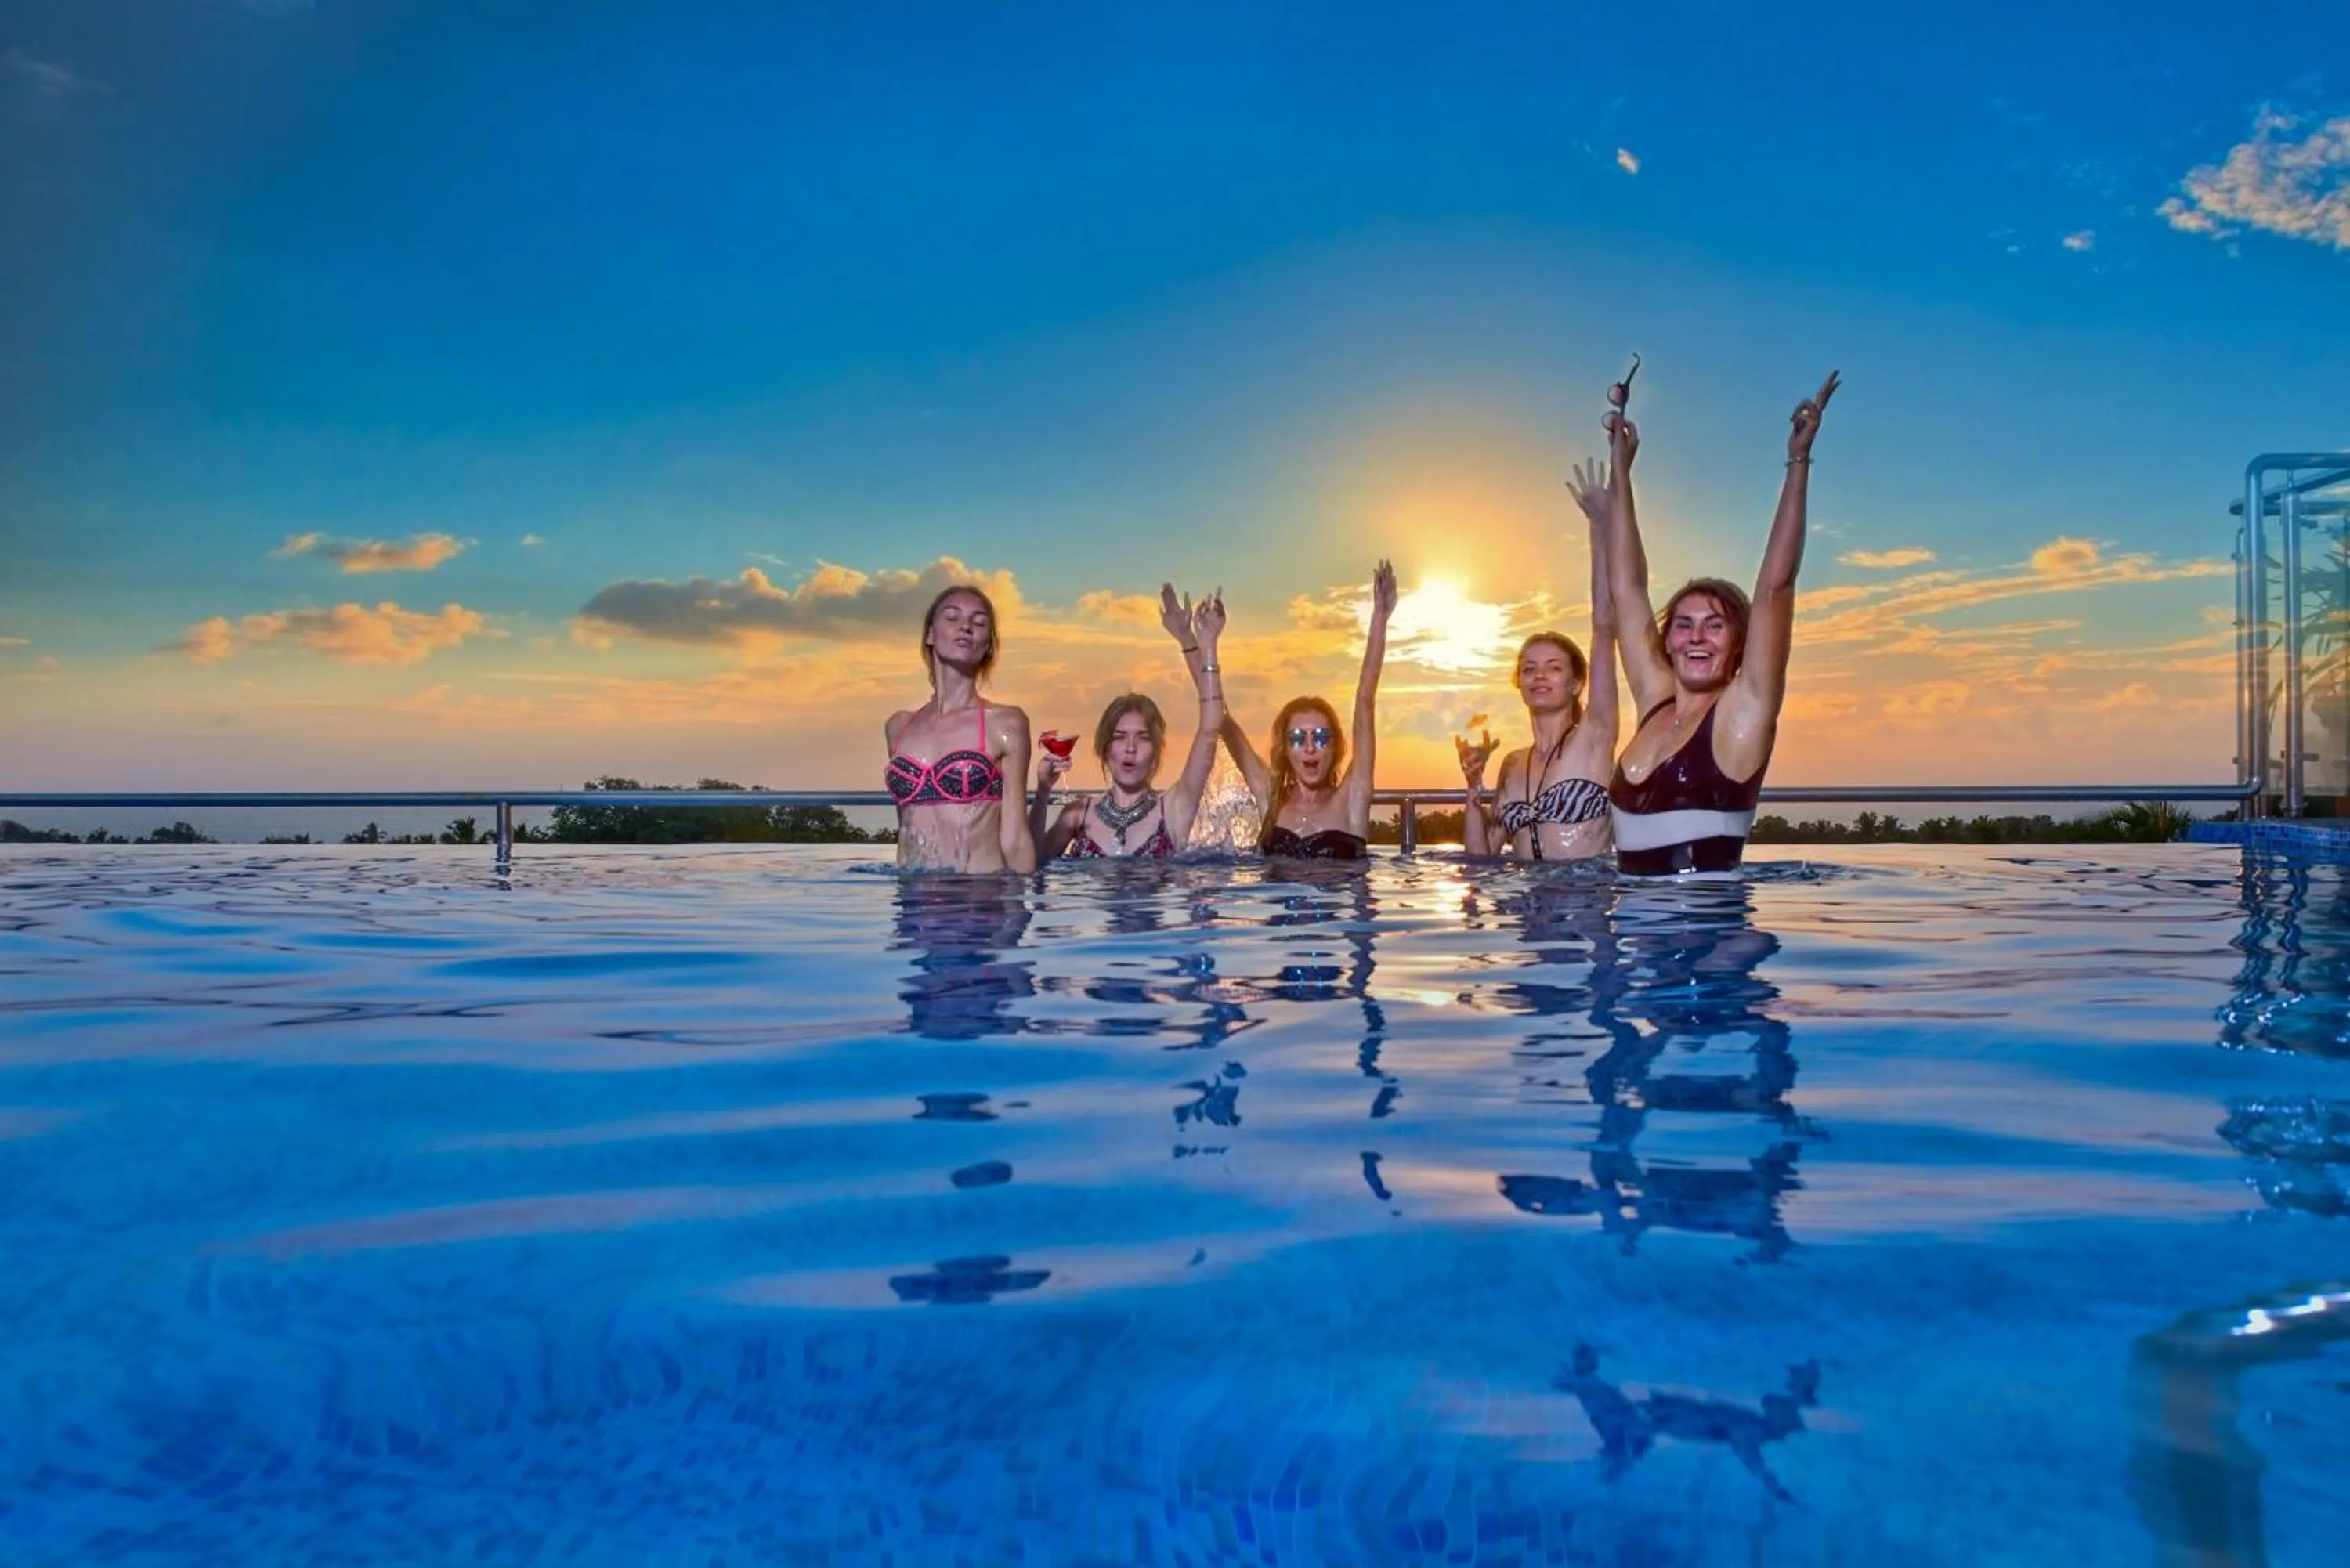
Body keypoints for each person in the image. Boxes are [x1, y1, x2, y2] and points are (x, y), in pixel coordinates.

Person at [1603, 372, 1841, 876]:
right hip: (1635, 937)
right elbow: (1627, 587)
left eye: (1714, 626)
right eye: (1684, 625)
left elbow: (1776, 586)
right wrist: (1620, 472)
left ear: (1739, 643)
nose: (1695, 636)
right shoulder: (1656, 705)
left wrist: (1798, 462)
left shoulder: (1742, 714)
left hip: (1707, 943)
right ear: (1665, 641)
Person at [1459, 459, 1622, 861]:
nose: (1539, 677)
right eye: (1529, 669)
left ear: (1577, 683)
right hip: (1527, 907)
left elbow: (1604, 625)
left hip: (1583, 907)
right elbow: (1482, 861)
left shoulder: (1595, 736)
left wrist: (1599, 527)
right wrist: (1472, 789)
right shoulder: (1514, 764)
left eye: (1553, 668)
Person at [1215, 561, 1396, 860]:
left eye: (1321, 737)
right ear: (1285, 748)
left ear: (1335, 745)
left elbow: (1365, 700)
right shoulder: (1270, 798)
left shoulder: (1352, 798)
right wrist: (1202, 644)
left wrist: (1380, 619)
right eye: (1299, 738)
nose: (1311, 748)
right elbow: (1221, 720)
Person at [1029, 587, 1227, 858]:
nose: (1130, 748)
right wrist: (1043, 790)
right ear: (1104, 747)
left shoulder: (1172, 810)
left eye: (1143, 738)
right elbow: (1029, 865)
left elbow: (1210, 729)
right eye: (1120, 737)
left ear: (1157, 749)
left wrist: (1205, 646)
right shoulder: (1077, 815)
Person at [884, 583, 1037, 873]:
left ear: (987, 645)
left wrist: (1023, 911)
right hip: (914, 905)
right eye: (953, 618)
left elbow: (1015, 838)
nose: (966, 627)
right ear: (930, 634)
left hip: (978, 903)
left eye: (979, 623)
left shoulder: (1005, 724)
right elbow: (906, 831)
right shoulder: (899, 728)